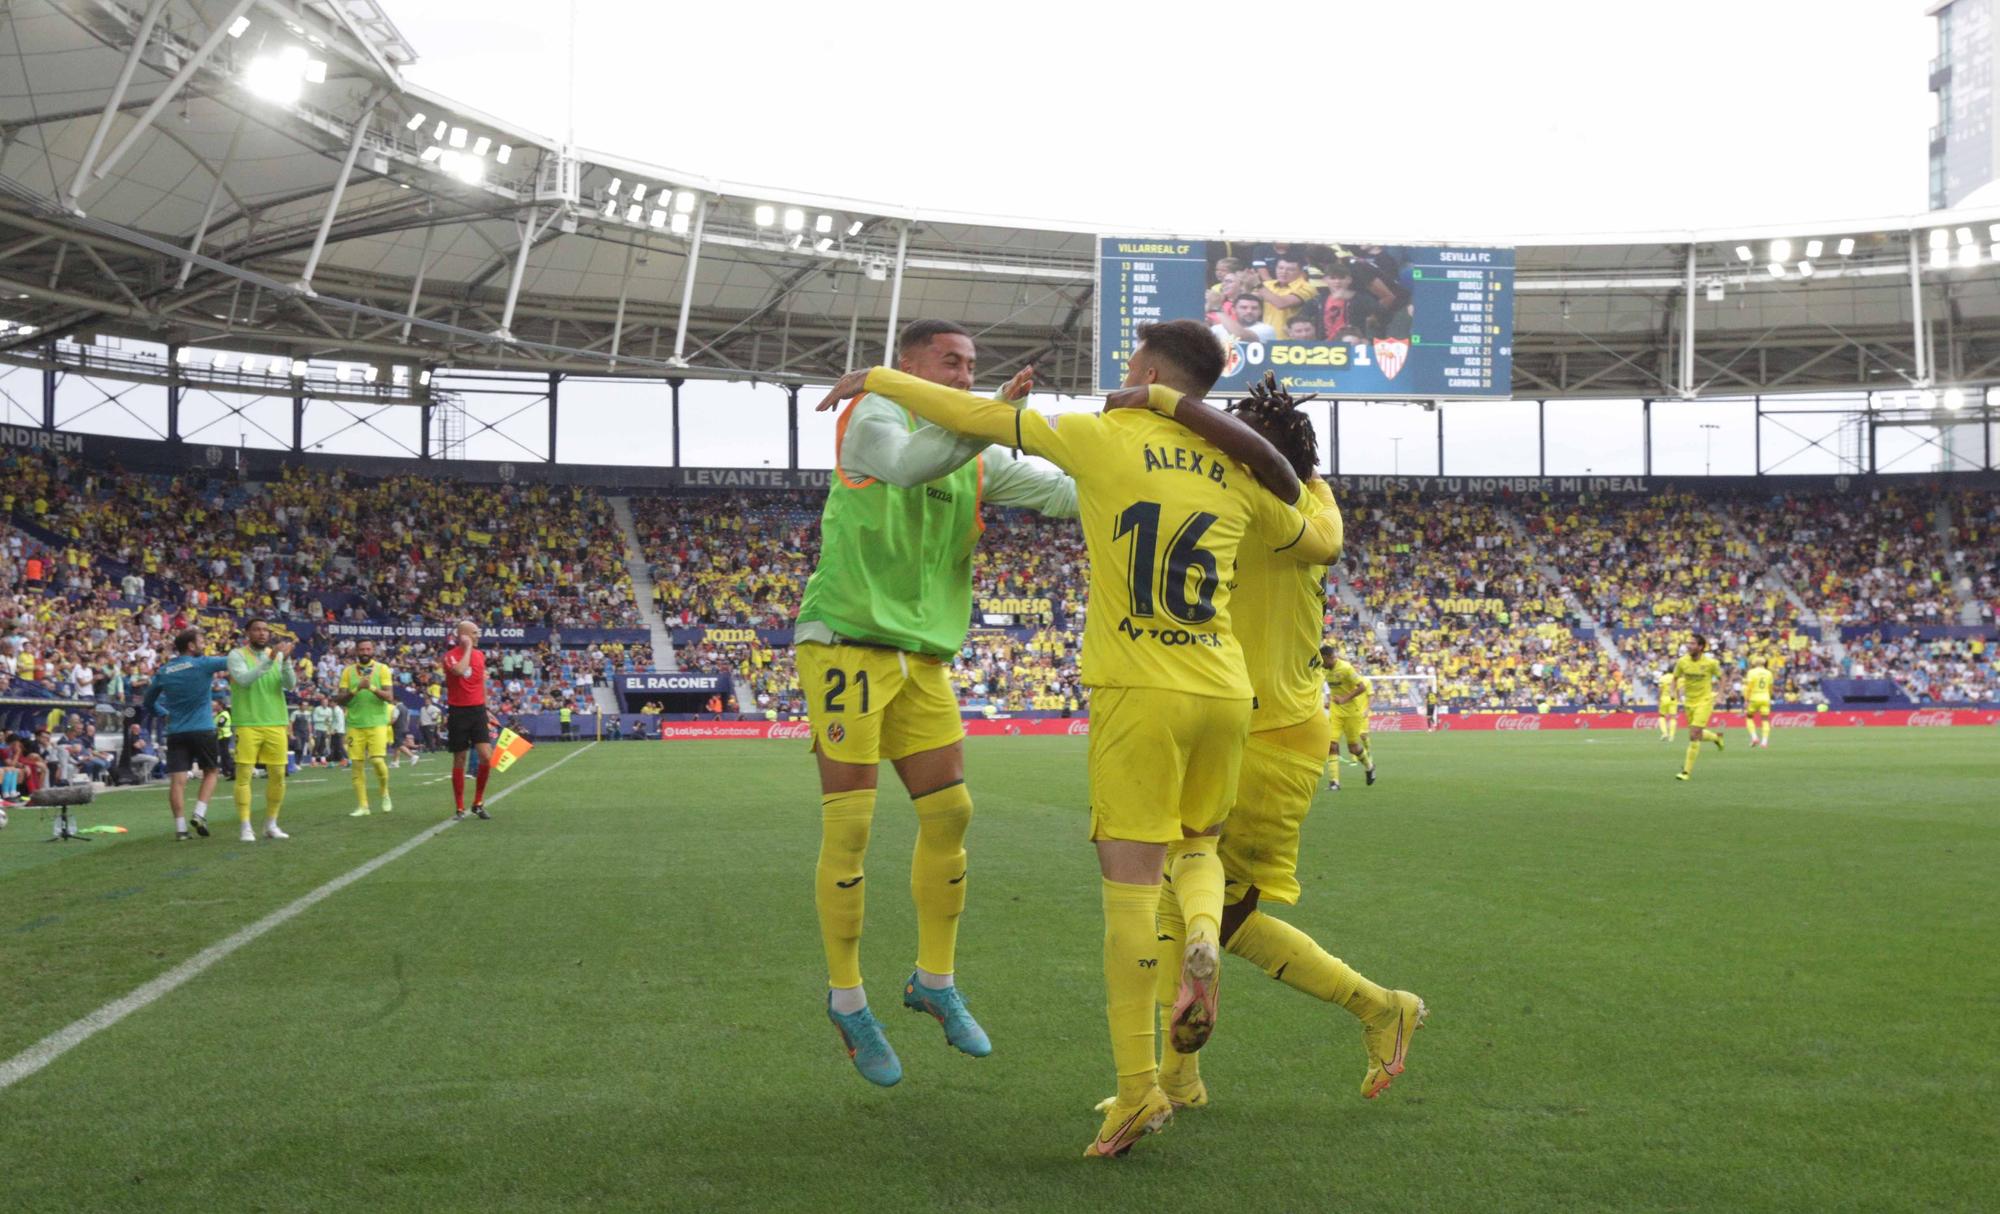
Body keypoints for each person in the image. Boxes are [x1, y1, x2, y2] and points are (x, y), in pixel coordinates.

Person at [819, 317, 1342, 1158]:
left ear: (1149, 369)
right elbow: (1321, 538)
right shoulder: (1239, 473)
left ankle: (1138, 1091)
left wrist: (881, 378)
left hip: (1140, 690)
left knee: (1132, 894)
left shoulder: (1102, 436)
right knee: (1199, 848)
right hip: (1224, 692)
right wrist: (1309, 478)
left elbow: (982, 424)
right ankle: (1204, 934)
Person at [793, 318, 1068, 1089]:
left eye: (971, 365)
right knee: (852, 826)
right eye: (949, 362)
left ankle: (934, 984)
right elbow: (911, 465)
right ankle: (848, 1000)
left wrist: (1150, 482)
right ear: (906, 366)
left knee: (951, 815)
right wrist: (976, 418)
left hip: (922, 658)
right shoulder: (874, 418)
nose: (963, 374)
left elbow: (1061, 493)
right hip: (845, 642)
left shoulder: (972, 457)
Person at [1140, 373, 1421, 1112]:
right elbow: (1305, 490)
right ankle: (1179, 1081)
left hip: (1257, 734)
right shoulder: (1312, 501)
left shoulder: (1223, 499)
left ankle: (1378, 1007)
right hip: (1260, 728)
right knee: (1198, 907)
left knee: (1205, 912)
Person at [140, 626, 229, 840]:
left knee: (178, 781)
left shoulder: (164, 671)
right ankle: (199, 813)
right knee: (211, 772)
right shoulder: (203, 663)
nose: (204, 644)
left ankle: (180, 830)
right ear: (190, 645)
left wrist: (164, 713)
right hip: (203, 728)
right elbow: (232, 659)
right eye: (201, 640)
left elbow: (148, 702)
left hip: (176, 731)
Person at [228, 618, 297, 841]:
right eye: (257, 629)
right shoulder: (237, 655)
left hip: (276, 721)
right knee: (244, 775)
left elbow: (291, 685)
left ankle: (271, 823)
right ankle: (245, 825)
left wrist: (285, 661)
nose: (262, 633)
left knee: (278, 775)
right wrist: (270, 658)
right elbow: (244, 680)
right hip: (248, 722)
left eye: (266, 630)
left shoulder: (276, 656)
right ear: (247, 633)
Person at [337, 638, 396, 816]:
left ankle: (385, 793)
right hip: (355, 723)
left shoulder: (382, 669)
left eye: (368, 649)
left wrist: (370, 687)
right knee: (357, 765)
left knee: (377, 761)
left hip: (377, 722)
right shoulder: (348, 671)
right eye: (361, 649)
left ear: (373, 650)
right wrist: (356, 689)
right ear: (356, 651)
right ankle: (363, 806)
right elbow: (340, 699)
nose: (365, 652)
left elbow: (389, 697)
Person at [441, 621, 494, 819]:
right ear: (463, 635)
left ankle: (478, 802)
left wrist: (486, 708)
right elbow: (460, 671)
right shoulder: (450, 656)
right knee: (460, 758)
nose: (477, 636)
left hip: (477, 710)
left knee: (487, 756)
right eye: (474, 633)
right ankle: (460, 807)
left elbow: (480, 683)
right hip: (458, 712)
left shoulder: (481, 656)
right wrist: (468, 647)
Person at [1673, 633, 1728, 782]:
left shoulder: (1710, 663)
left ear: (1700, 647)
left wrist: (1720, 694)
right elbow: (1675, 677)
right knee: (1696, 734)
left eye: (1692, 643)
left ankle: (1686, 772)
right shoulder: (1682, 662)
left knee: (1694, 735)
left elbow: (1722, 677)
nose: (1688, 646)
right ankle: (1716, 737)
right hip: (1689, 702)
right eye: (1688, 643)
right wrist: (1674, 692)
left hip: (1704, 701)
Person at [1324, 646, 1375, 790]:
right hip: (1335, 712)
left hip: (1352, 713)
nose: (1321, 663)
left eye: (1323, 660)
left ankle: (1369, 766)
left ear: (1328, 657)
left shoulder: (1346, 668)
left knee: (1353, 748)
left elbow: (1361, 687)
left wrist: (1345, 699)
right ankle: (1334, 782)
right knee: (1332, 744)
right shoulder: (1323, 669)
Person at [1210, 294, 1276, 346]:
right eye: (1244, 307)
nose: (1249, 311)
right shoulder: (1217, 328)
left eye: (1254, 308)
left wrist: (1217, 310)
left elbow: (1239, 335)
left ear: (1260, 311)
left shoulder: (1267, 329)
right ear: (1233, 310)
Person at [1743, 657, 1774, 748]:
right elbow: (1770, 688)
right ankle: (1764, 742)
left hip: (1754, 697)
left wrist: (1746, 699)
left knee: (1749, 717)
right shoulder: (1769, 673)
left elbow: (1749, 687)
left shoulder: (1751, 672)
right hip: (1765, 698)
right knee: (1765, 719)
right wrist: (1769, 697)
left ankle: (1754, 737)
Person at [214, 697, 235, 779]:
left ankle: (232, 770)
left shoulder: (224, 714)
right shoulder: (219, 714)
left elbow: (220, 725)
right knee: (223, 755)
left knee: (225, 755)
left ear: (220, 706)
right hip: (220, 737)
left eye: (216, 705)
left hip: (224, 737)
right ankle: (226, 771)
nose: (214, 707)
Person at [1657, 666, 1679, 742]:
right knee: (1673, 717)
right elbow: (1678, 689)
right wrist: (1678, 698)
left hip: (1664, 698)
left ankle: (1665, 733)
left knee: (1661, 716)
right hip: (1673, 698)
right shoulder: (1676, 678)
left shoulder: (1662, 678)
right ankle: (1671, 736)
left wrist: (1658, 699)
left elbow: (1660, 690)